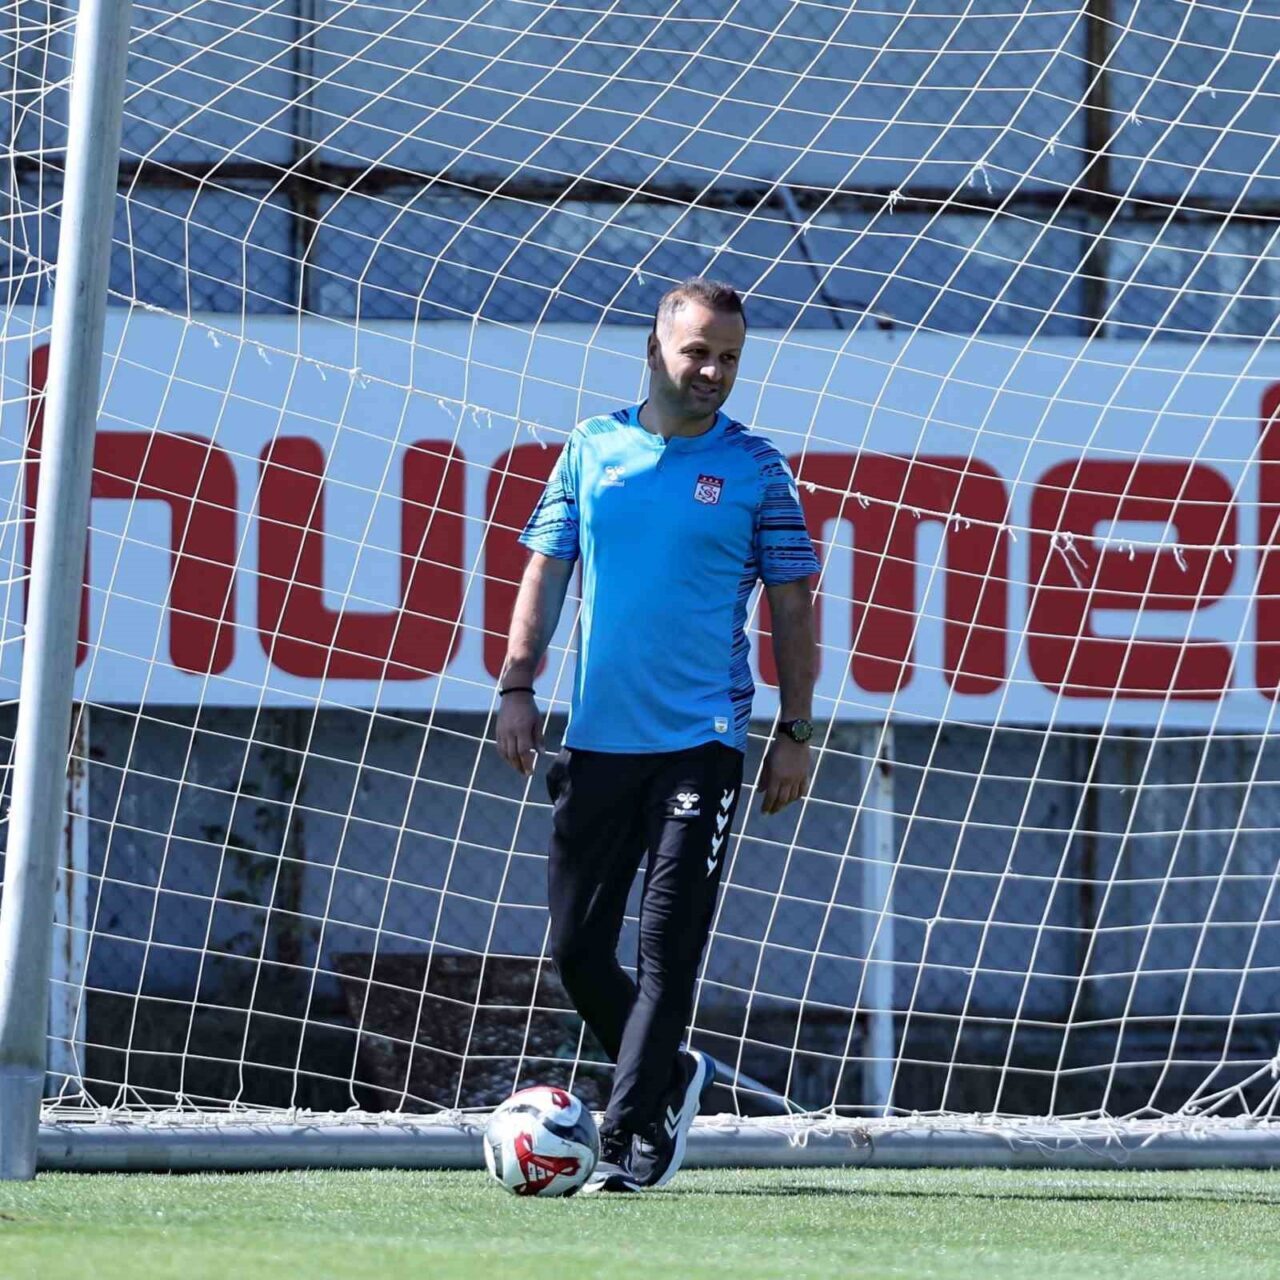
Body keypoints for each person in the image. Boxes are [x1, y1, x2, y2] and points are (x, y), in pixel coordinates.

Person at [495, 278, 819, 1193]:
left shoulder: (756, 469)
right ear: (654, 349)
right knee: (576, 954)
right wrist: (517, 685)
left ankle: (632, 1136)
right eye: (698, 352)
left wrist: (794, 729)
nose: (714, 371)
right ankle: (672, 1077)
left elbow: (793, 604)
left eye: (730, 357)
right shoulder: (591, 447)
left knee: (667, 949)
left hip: (701, 744)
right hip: (597, 740)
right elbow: (545, 571)